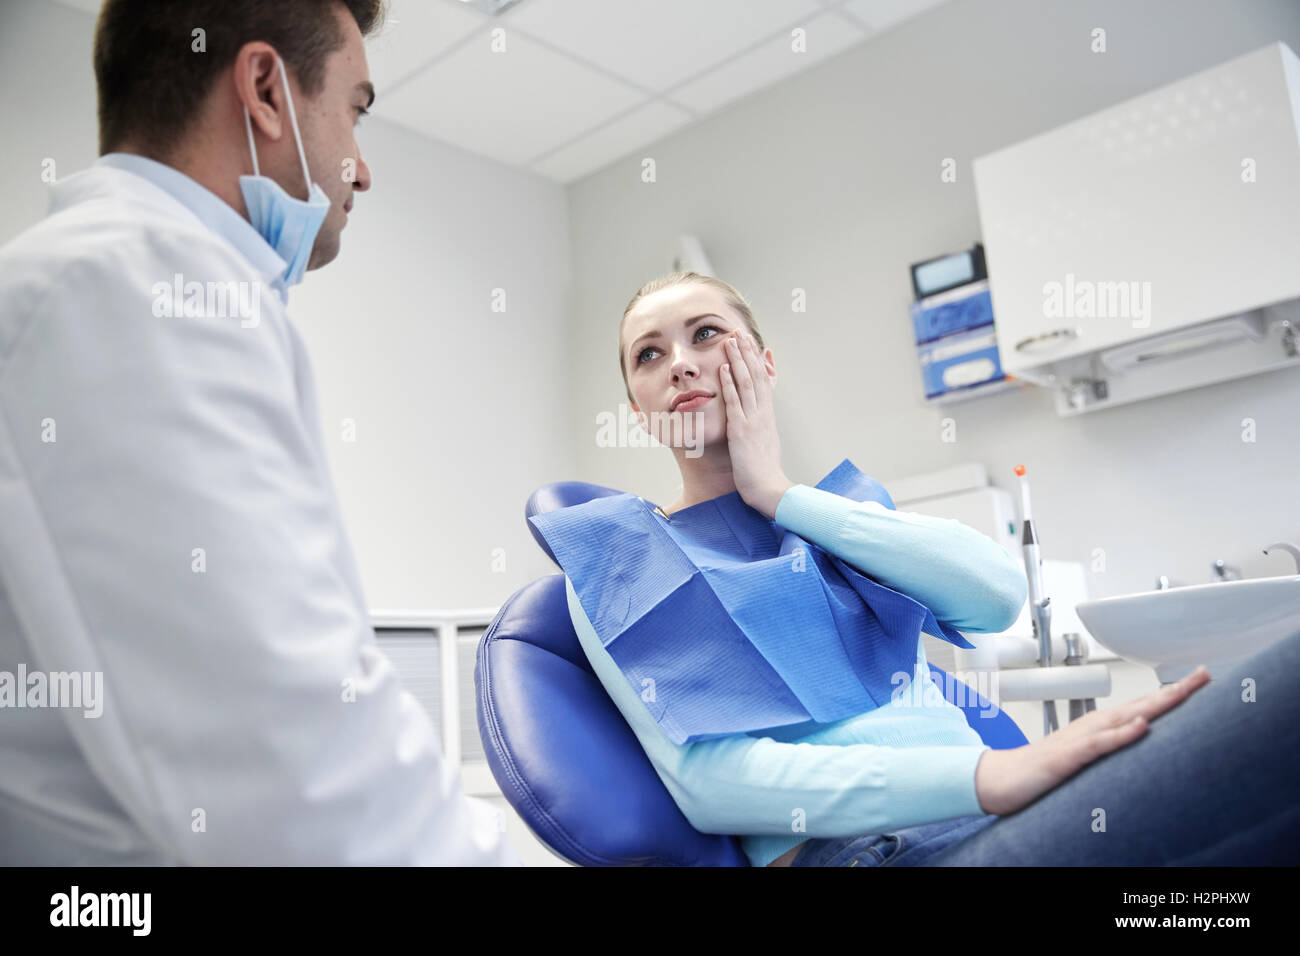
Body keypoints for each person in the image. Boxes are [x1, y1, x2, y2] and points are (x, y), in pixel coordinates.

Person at [0, 0, 518, 865]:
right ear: (267, 92)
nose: (362, 168)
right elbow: (303, 781)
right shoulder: (131, 285)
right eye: (355, 110)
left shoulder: (134, 282)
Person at [557, 270, 1296, 867]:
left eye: (706, 334)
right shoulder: (623, 568)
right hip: (879, 850)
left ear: (765, 364)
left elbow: (995, 595)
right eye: (649, 355)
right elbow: (710, 786)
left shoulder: (829, 523)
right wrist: (990, 776)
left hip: (988, 816)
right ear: (639, 409)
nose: (680, 361)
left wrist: (779, 495)